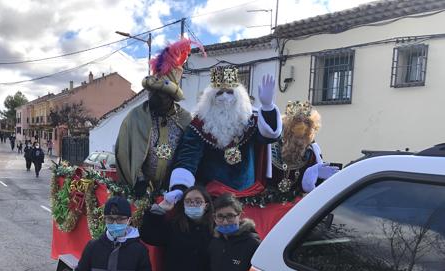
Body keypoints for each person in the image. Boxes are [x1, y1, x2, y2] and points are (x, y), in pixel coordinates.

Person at [166, 66, 282, 203]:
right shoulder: (198, 125)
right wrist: (180, 187)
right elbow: (188, 158)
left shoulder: (251, 120)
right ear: (210, 99)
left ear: (239, 97)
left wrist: (268, 107)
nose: (225, 97)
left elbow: (269, 137)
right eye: (219, 93)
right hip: (211, 197)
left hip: (248, 196)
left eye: (230, 92)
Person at [115, 38, 203, 197]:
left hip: (173, 192)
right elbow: (125, 152)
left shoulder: (185, 119)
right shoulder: (136, 117)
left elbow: (189, 154)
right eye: (152, 92)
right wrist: (140, 181)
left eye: (160, 94)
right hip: (139, 192)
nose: (154, 97)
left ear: (171, 97)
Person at [269, 101, 339, 194]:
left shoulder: (312, 154)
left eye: (306, 135)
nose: (301, 141)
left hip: (298, 205)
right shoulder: (269, 147)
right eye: (299, 135)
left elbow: (317, 188)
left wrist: (310, 181)